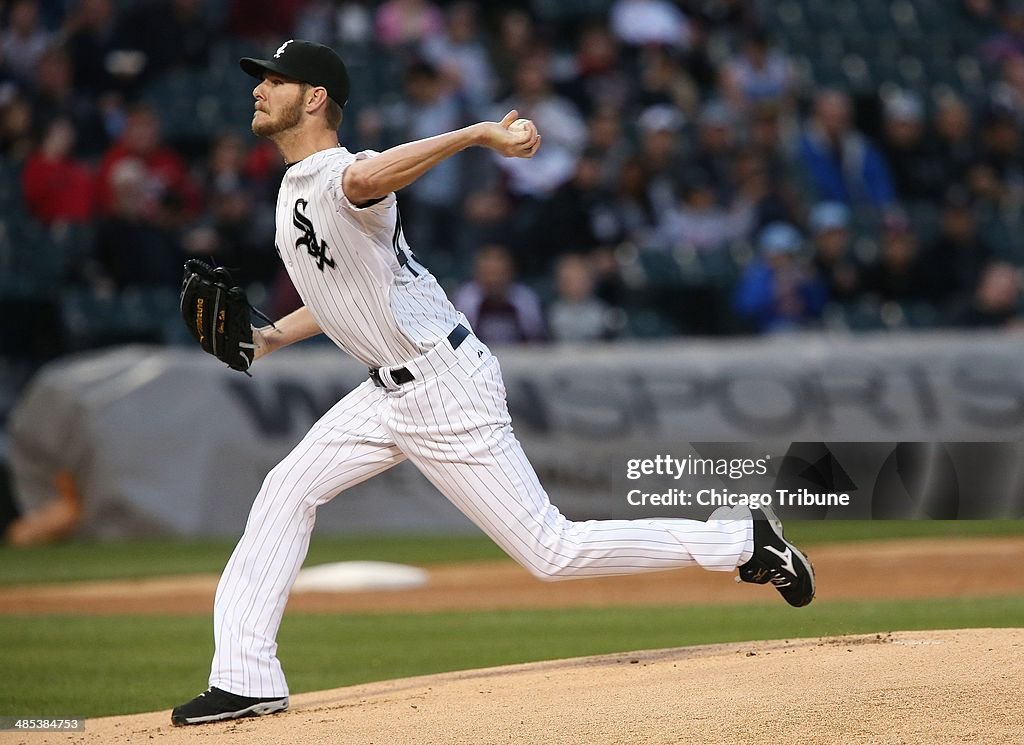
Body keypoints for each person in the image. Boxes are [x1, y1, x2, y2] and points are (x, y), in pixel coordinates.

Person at [170, 39, 815, 727]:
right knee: (285, 490)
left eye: (274, 81)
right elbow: (344, 295)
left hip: (444, 387)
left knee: (552, 550)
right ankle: (244, 676)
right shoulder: (295, 186)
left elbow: (367, 178)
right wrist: (268, 337)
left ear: (316, 97)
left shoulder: (341, 174)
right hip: (386, 391)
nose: (258, 90)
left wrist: (479, 133)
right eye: (260, 80)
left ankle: (743, 540)